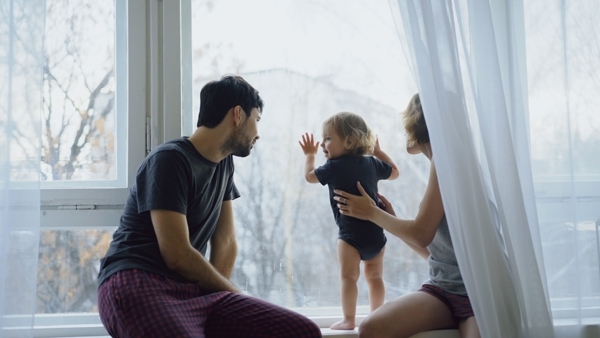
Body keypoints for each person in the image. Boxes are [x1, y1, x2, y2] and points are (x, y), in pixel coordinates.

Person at [97, 75, 322, 338]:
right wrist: (233, 292)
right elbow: (177, 254)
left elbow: (226, 243)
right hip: (137, 281)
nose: (257, 134)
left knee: (301, 331)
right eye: (256, 120)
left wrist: (225, 302)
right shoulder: (169, 160)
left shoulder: (225, 164)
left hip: (192, 290)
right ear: (238, 114)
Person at [333, 94, 481, 338]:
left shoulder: (448, 161)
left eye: (408, 120)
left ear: (420, 123)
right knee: (371, 328)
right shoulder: (442, 162)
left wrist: (372, 212)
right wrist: (389, 220)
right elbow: (436, 255)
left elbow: (421, 234)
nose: (404, 128)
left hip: (477, 296)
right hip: (443, 290)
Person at [298, 112, 400, 330]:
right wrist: (380, 152)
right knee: (375, 278)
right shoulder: (372, 163)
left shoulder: (333, 167)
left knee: (348, 278)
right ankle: (376, 317)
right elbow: (395, 173)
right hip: (376, 235)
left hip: (350, 237)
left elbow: (309, 177)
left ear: (349, 141)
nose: (323, 144)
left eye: (328, 138)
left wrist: (309, 155)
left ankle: (349, 319)